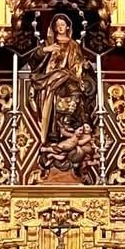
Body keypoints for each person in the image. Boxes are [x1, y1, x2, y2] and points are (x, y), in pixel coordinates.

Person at [28, 14, 90, 150]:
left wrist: (76, 71)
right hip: (49, 79)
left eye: (63, 24)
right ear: (54, 28)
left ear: (68, 26)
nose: (60, 27)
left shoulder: (73, 45)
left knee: (76, 94)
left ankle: (70, 126)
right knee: (53, 96)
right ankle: (53, 134)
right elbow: (33, 61)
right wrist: (45, 50)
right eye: (57, 25)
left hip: (68, 78)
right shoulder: (49, 43)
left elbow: (77, 65)